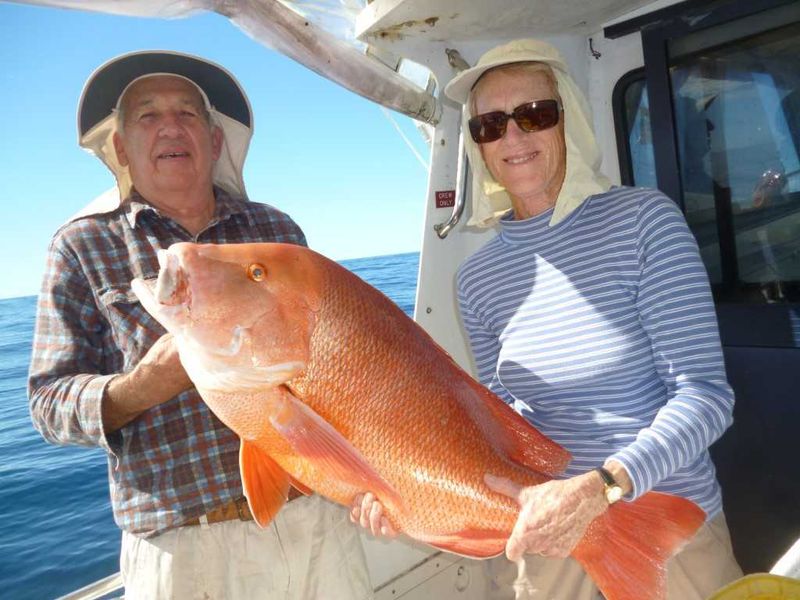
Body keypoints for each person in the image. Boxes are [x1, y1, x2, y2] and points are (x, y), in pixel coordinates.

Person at [352, 39, 743, 599]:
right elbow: (500, 427)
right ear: (478, 146)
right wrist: (405, 495)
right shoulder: (477, 278)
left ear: (568, 123)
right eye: (490, 125)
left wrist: (600, 487)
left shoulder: (644, 223)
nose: (513, 137)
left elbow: (705, 398)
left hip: (660, 525)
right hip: (546, 538)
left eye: (534, 115)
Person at [28, 50, 372, 600]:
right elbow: (48, 403)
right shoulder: (81, 246)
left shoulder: (276, 231)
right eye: (148, 115)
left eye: (188, 114)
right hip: (184, 547)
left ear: (214, 142)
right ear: (120, 148)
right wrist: (140, 387)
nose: (171, 126)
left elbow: (336, 363)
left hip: (316, 521)